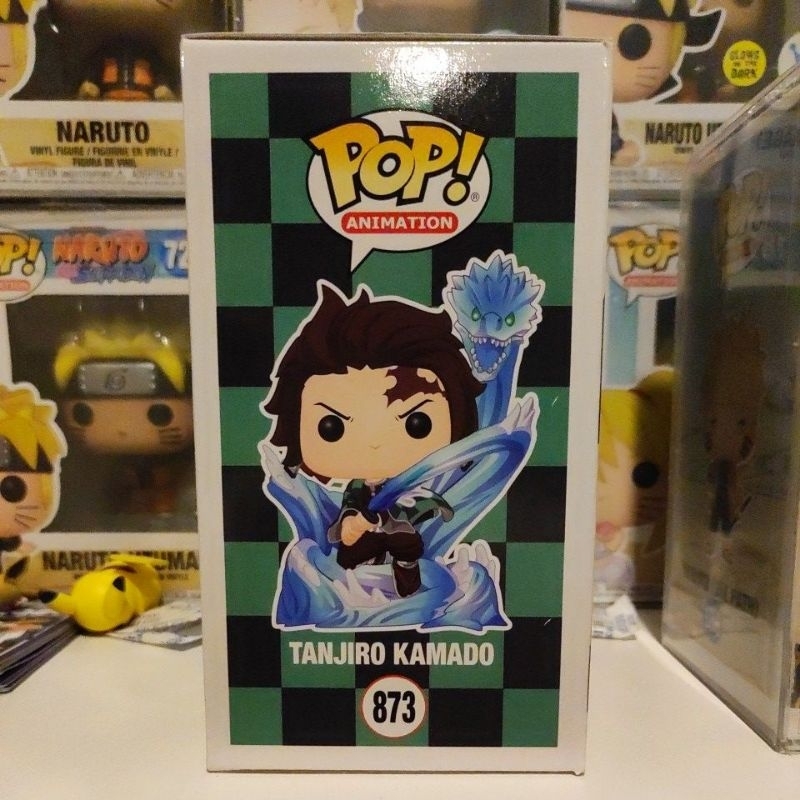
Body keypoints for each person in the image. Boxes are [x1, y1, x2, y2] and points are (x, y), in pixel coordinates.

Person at [263, 283, 482, 597]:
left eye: (417, 423)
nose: (375, 443)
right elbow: (350, 508)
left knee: (406, 543)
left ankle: (405, 576)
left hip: (399, 534)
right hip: (361, 547)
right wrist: (352, 523)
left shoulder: (413, 484)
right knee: (353, 551)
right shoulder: (357, 488)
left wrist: (401, 515)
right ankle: (360, 581)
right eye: (331, 426)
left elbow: (425, 504)